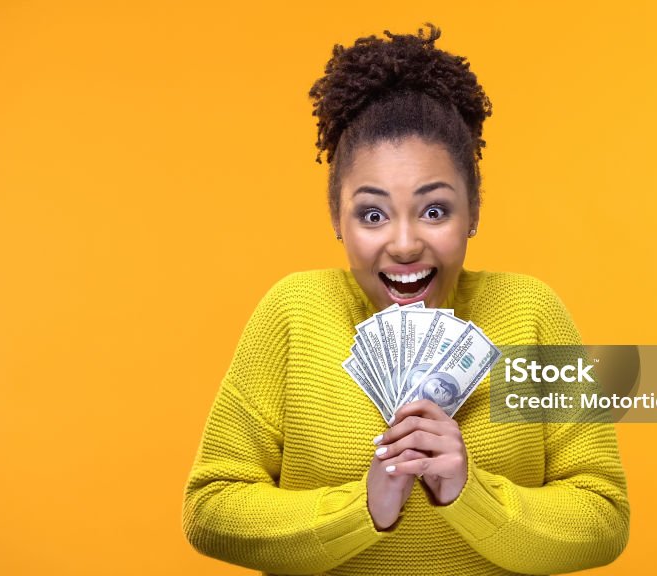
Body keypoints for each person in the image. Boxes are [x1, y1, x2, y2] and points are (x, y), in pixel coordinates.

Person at [182, 24, 630, 575]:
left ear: (474, 212)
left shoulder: (529, 313)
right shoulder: (294, 313)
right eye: (372, 214)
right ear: (336, 220)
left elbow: (603, 518)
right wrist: (361, 507)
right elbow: (211, 509)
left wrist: (470, 493)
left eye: (434, 210)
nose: (404, 242)